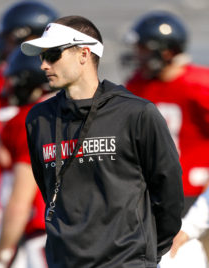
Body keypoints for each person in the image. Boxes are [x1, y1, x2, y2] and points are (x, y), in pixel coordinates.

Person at [20, 15, 184, 267]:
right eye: (41, 56)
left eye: (52, 55)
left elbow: (168, 194)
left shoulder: (136, 113)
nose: (43, 65)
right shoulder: (38, 119)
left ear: (83, 54)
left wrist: (146, 253)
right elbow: (48, 188)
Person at [0, 2, 57, 267]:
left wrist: (4, 250)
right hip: (8, 215)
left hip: (34, 218)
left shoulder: (32, 117)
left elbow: (19, 191)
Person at [123, 11, 209, 268]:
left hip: (198, 195)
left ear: (167, 52)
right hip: (153, 197)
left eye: (144, 49)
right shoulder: (138, 84)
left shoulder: (198, 84)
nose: (138, 55)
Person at [0, 47, 52, 267]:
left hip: (44, 233)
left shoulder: (30, 119)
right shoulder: (67, 112)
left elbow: (21, 200)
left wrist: (3, 250)